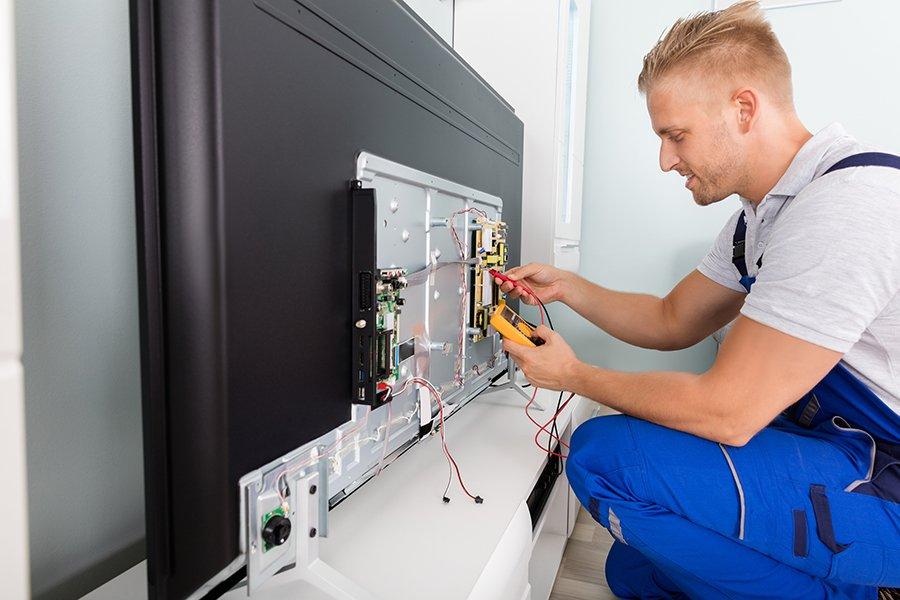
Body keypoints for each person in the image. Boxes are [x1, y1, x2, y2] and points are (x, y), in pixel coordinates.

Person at [497, 2, 900, 598]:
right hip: (838, 442)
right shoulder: (763, 217)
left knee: (602, 458)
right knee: (630, 571)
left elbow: (728, 412)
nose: (665, 160)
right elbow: (672, 319)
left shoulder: (844, 207)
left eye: (674, 135)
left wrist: (575, 375)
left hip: (885, 474)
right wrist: (570, 288)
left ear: (744, 109)